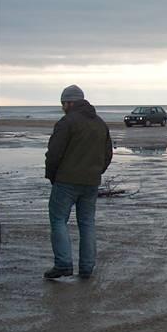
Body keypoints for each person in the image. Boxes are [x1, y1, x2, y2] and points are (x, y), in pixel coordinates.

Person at [44, 85, 112, 279]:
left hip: (66, 180)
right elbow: (108, 154)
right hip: (91, 182)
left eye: (63, 103)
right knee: (87, 223)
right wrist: (96, 172)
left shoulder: (67, 123)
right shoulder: (100, 123)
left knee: (58, 220)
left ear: (69, 103)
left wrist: (52, 175)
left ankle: (64, 264)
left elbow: (54, 154)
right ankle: (87, 267)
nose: (62, 107)